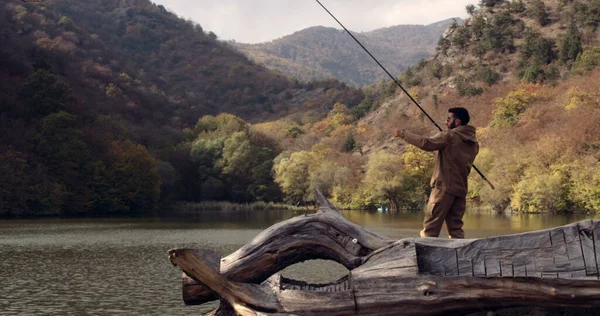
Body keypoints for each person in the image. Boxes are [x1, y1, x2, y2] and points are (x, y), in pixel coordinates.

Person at [394, 107, 479, 239]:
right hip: (460, 190)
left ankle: (426, 256)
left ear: (457, 121)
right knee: (456, 230)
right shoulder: (474, 144)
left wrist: (403, 134)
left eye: (448, 119)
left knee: (430, 228)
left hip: (443, 188)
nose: (446, 121)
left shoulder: (449, 136)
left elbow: (425, 143)